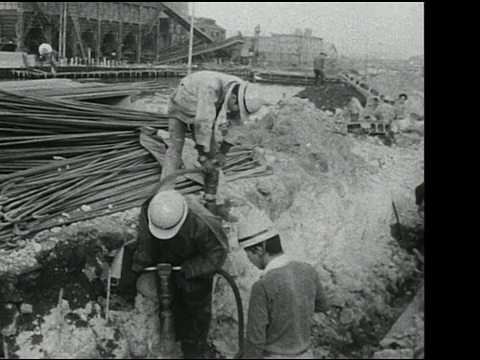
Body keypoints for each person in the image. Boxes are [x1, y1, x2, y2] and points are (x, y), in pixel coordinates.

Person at [128, 190, 229, 358]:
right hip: (166, 257)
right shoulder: (151, 209)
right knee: (170, 305)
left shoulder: (203, 222)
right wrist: (138, 267)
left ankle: (194, 350)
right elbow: (145, 241)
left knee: (195, 311)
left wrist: (192, 268)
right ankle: (173, 341)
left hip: (194, 265)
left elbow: (217, 254)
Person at [161, 71, 268, 213]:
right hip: (183, 102)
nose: (235, 113)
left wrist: (223, 152)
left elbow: (236, 124)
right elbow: (202, 124)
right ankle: (164, 195)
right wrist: (202, 157)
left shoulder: (241, 90)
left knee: (213, 156)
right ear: (233, 98)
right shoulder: (211, 87)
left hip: (206, 107)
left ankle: (213, 202)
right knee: (175, 149)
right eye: (237, 109)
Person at [237, 210, 331, 359]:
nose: (249, 260)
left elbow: (256, 341)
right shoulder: (307, 270)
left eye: (248, 254)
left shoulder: (262, 286)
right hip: (306, 354)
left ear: (259, 249)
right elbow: (323, 305)